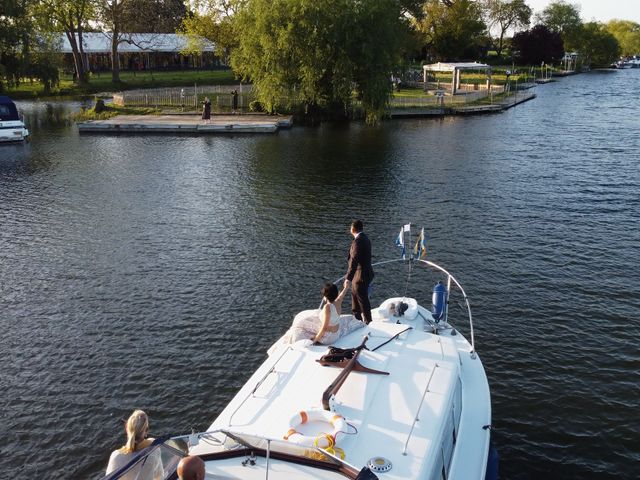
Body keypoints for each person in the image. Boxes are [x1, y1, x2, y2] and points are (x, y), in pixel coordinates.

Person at [106, 410, 164, 480]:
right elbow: (159, 476)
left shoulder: (116, 456)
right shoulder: (154, 447)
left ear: (126, 428)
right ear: (147, 430)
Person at [344, 220, 374, 324]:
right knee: (356, 296)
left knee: (362, 298)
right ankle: (357, 319)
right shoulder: (366, 238)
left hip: (360, 276)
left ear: (352, 229)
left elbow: (354, 261)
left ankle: (367, 322)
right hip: (366, 273)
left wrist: (348, 278)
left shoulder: (358, 242)